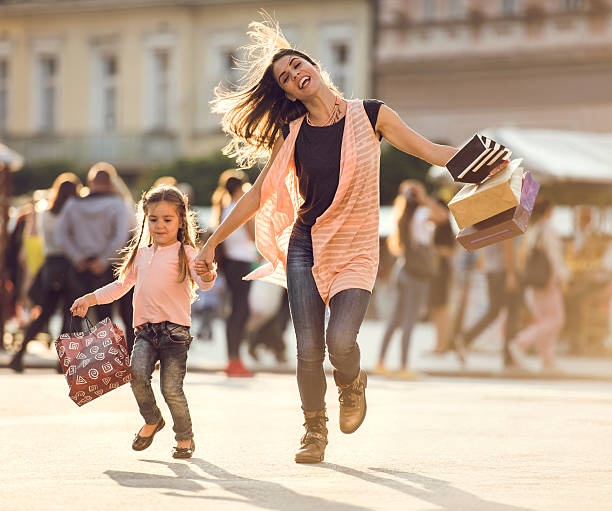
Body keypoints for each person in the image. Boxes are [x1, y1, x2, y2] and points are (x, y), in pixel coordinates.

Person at [195, 17, 463, 464]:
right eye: (285, 78)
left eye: (297, 64)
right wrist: (210, 243)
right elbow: (260, 194)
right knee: (308, 346)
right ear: (290, 94)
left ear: (313, 67)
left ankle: (352, 381)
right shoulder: (294, 134)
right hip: (308, 245)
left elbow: (432, 153)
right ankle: (313, 430)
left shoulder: (372, 115)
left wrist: (486, 160)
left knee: (341, 341)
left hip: (357, 248)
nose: (294, 74)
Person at [70, 185, 216, 458]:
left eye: (167, 220)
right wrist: (90, 299)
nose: (160, 226)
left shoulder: (186, 253)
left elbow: (204, 284)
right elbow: (121, 285)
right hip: (145, 332)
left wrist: (208, 274)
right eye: (154, 219)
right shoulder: (142, 253)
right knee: (136, 376)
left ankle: (184, 438)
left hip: (175, 333)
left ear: (181, 220)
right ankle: (152, 420)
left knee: (171, 389)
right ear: (145, 219)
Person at [373, 181, 447, 379]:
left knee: (395, 319)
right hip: (417, 275)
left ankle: (380, 362)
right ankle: (404, 366)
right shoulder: (421, 215)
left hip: (403, 270)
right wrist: (426, 200)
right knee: (409, 320)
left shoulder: (402, 214)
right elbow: (443, 216)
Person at [9, 173, 82, 372]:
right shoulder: (73, 213)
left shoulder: (45, 213)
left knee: (44, 314)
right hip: (69, 265)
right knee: (70, 314)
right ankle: (62, 362)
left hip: (50, 266)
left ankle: (18, 355)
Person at [55, 166, 131, 331]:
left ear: (90, 182)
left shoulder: (73, 204)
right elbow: (120, 237)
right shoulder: (118, 205)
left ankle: (69, 356)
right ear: (111, 183)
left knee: (73, 316)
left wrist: (77, 257)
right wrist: (102, 260)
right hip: (105, 268)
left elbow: (60, 235)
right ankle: (103, 357)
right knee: (104, 321)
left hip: (78, 268)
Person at [508, 200, 568, 372]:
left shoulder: (533, 230)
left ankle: (547, 360)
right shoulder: (548, 231)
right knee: (556, 320)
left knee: (544, 319)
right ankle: (521, 342)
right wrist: (562, 278)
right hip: (548, 282)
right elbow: (554, 258)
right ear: (549, 211)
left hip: (535, 282)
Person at [210, 169, 258, 376]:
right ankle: (235, 360)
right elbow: (254, 237)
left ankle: (233, 359)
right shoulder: (242, 210)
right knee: (240, 312)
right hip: (241, 264)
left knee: (235, 311)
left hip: (230, 264)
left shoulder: (223, 208)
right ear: (241, 187)